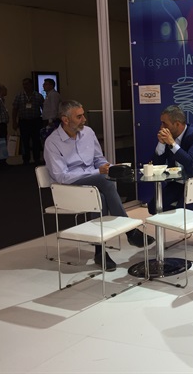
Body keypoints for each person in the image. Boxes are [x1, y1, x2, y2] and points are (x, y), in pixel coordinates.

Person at [44, 100, 153, 271]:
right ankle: (130, 231)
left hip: (92, 185)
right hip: (68, 188)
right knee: (103, 181)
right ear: (65, 119)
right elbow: (61, 176)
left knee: (101, 195)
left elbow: (98, 159)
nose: (84, 119)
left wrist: (108, 167)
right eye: (79, 117)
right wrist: (98, 172)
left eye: (83, 115)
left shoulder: (88, 133)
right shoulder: (52, 142)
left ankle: (100, 252)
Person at [147, 105, 193, 245]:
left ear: (177, 124)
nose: (161, 127)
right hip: (178, 183)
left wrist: (172, 143)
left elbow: (190, 162)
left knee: (180, 211)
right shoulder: (168, 138)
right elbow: (157, 164)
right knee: (154, 207)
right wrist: (161, 144)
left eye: (164, 123)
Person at [12, 78, 44, 165]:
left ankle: (37, 158)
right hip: (23, 121)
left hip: (36, 121)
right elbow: (15, 109)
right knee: (24, 140)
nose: (25, 86)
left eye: (26, 84)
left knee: (36, 140)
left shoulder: (38, 96)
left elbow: (44, 108)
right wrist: (14, 121)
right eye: (23, 84)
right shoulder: (19, 96)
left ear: (31, 84)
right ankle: (26, 159)